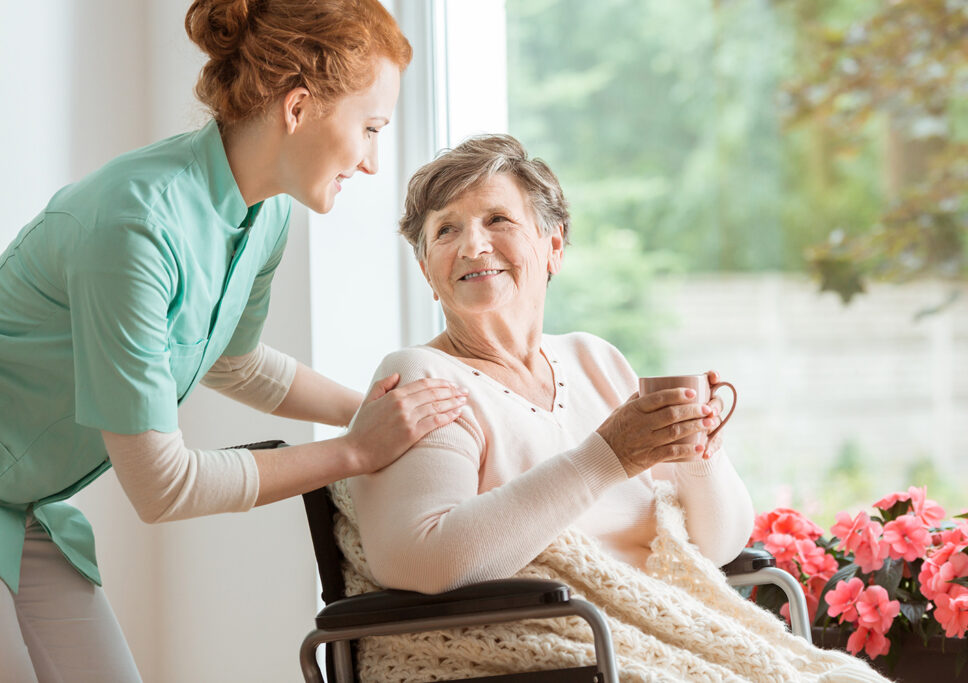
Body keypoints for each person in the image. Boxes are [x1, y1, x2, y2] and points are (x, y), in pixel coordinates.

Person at [0, 2, 468, 681]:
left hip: (24, 503)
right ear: (299, 106)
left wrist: (381, 409)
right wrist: (356, 450)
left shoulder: (264, 213)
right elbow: (162, 485)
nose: (372, 161)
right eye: (370, 128)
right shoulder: (134, 227)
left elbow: (234, 362)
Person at [331, 134, 889, 681]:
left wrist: (699, 454)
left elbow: (717, 545)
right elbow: (419, 560)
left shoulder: (593, 359)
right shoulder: (422, 378)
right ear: (428, 269)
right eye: (445, 230)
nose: (473, 245)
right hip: (556, 657)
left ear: (554, 245)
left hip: (657, 640)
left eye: (497, 220)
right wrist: (606, 458)